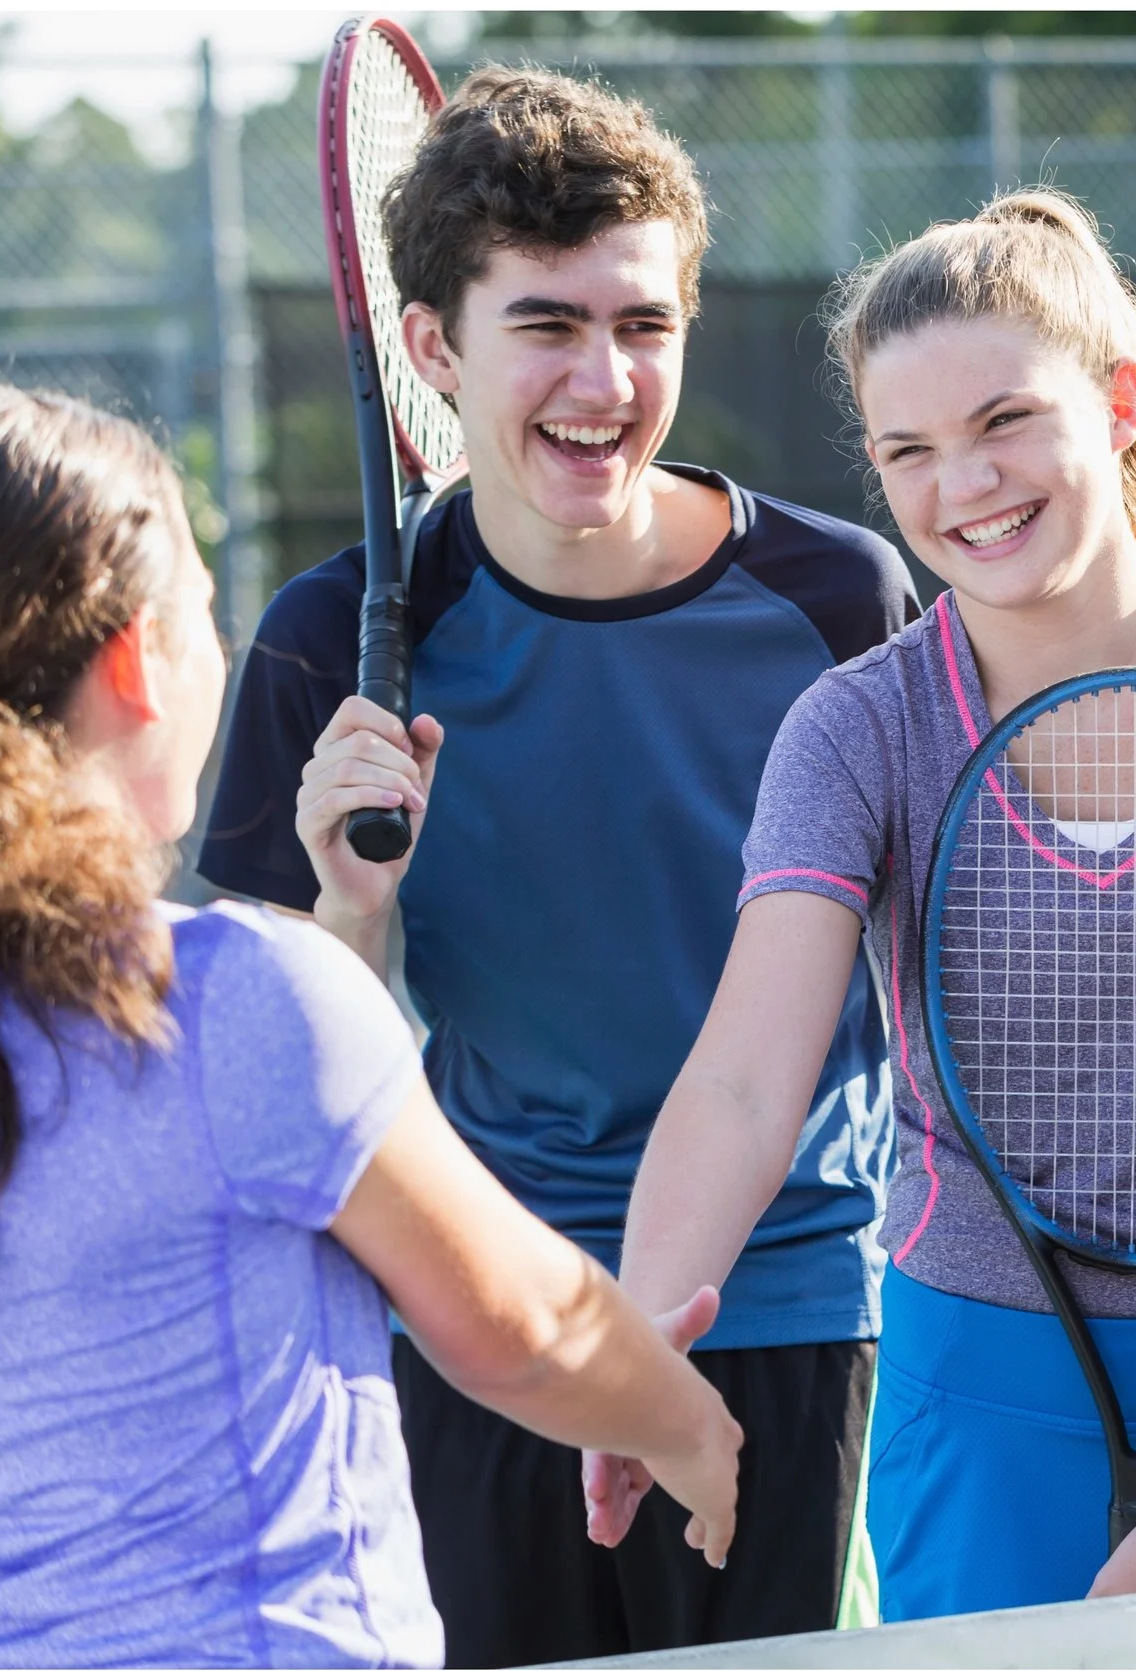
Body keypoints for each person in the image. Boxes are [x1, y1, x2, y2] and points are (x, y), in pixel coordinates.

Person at [194, 70, 914, 1667]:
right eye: (547, 325)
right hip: (480, 1313)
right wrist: (350, 905)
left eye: (643, 323)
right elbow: (269, 1069)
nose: (606, 378)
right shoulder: (332, 644)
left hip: (783, 1302)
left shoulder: (840, 599)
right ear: (433, 350)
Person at [601, 186, 1136, 1622]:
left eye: (1004, 421)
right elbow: (745, 1080)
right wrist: (639, 1340)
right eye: (909, 451)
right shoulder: (858, 728)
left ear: (1124, 400)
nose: (964, 485)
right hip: (981, 1367)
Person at [0, 384, 742, 1669]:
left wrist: (350, 915)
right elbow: (527, 1328)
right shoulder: (233, 1003)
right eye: (203, 607)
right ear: (138, 662)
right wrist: (689, 1429)